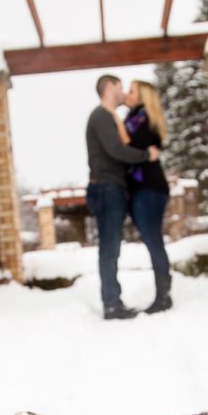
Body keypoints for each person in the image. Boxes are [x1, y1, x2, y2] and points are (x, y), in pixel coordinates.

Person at [86, 74, 160, 320]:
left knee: (112, 247)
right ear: (109, 87)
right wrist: (146, 155)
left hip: (111, 188)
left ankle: (113, 301)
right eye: (120, 87)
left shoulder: (110, 117)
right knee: (109, 248)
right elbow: (116, 150)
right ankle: (111, 304)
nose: (123, 92)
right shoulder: (101, 116)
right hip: (106, 188)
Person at [117, 79, 173, 314]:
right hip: (139, 189)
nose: (126, 94)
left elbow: (127, 146)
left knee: (153, 240)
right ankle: (163, 292)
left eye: (131, 91)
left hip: (150, 188)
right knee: (152, 240)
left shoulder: (146, 120)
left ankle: (164, 295)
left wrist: (112, 115)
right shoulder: (132, 119)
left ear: (143, 97)